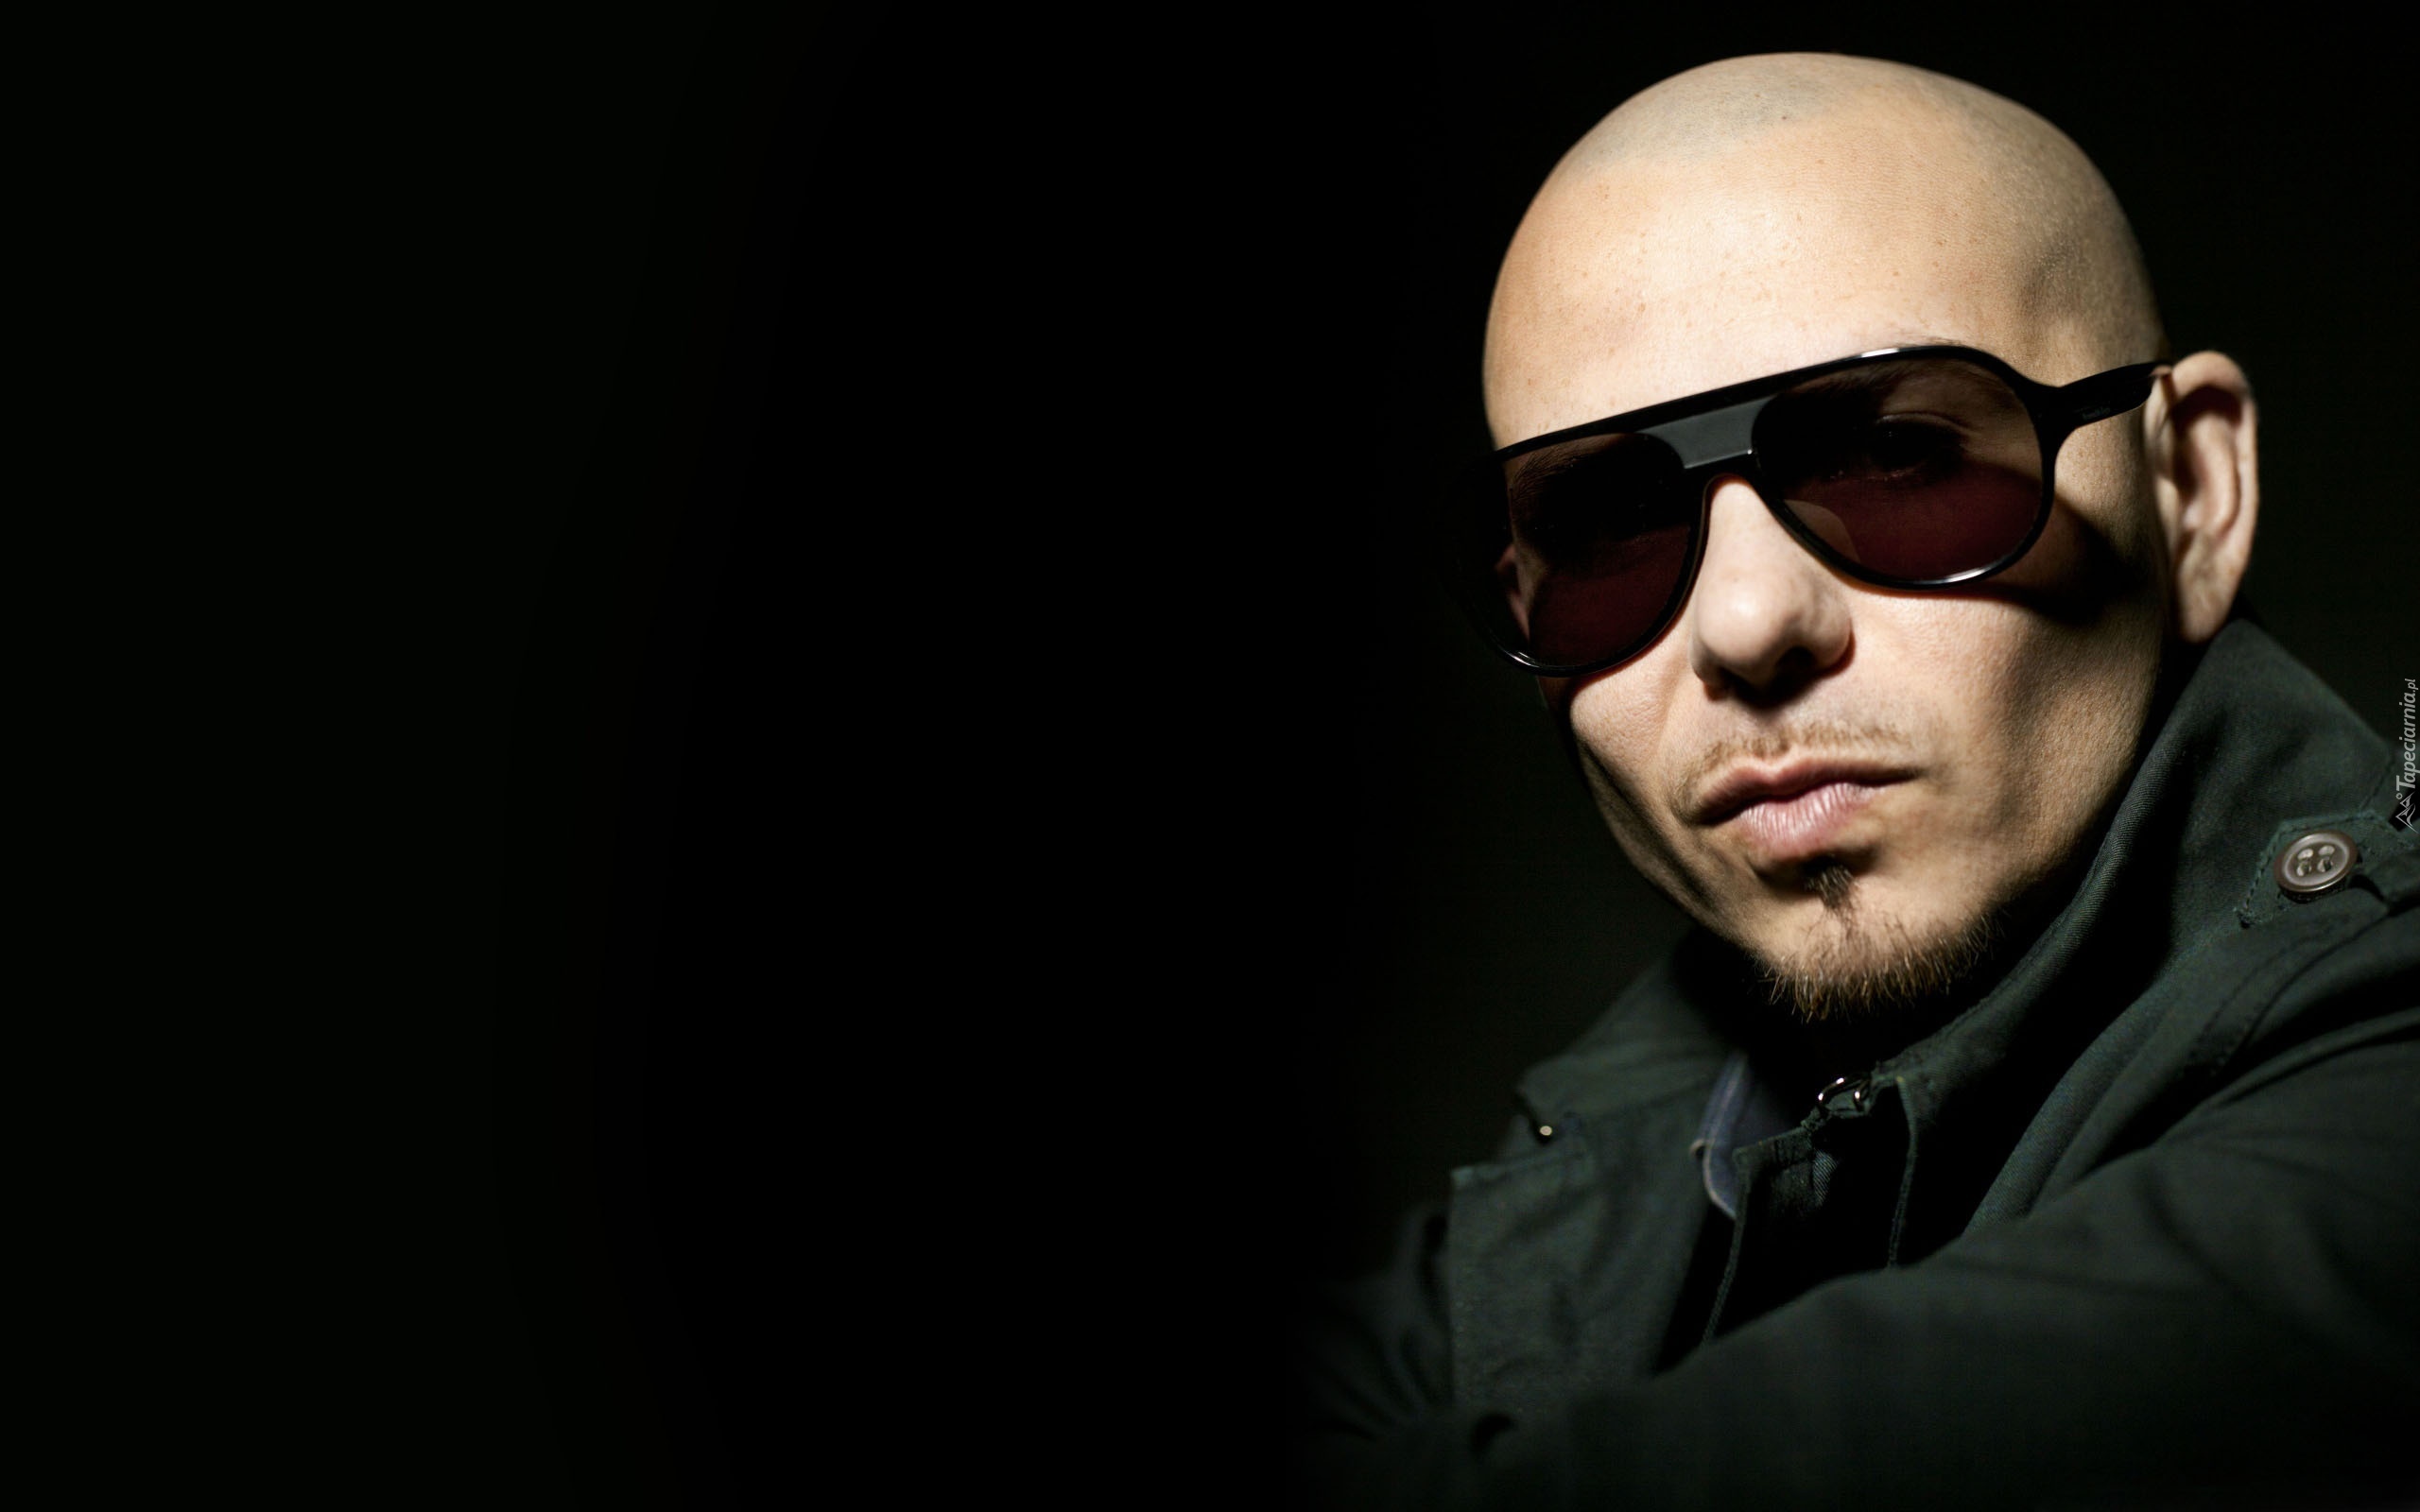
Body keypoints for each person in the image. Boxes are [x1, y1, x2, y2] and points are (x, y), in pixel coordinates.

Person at [1293, 54, 2418, 1509]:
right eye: (1607, 530)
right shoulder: (1629, 1144)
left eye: (1900, 456)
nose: (1746, 621)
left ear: (2191, 493)